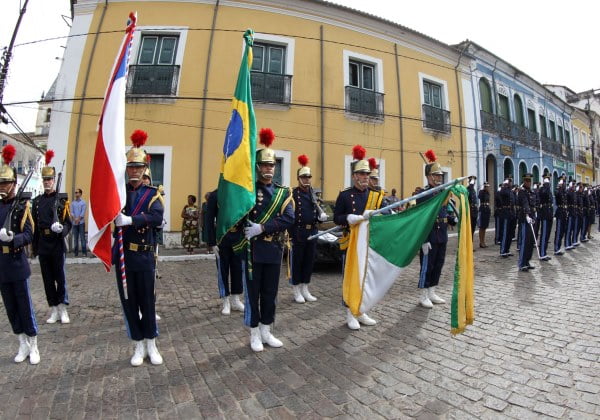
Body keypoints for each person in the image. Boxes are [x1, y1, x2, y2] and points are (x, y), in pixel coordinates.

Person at [113, 129, 164, 366]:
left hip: (144, 257)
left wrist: (131, 220)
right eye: (131, 167)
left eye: (138, 167)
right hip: (124, 256)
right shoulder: (118, 194)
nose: (134, 171)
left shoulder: (152, 194)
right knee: (129, 303)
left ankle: (151, 344)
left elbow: (155, 217)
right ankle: (137, 345)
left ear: (145, 169)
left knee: (147, 301)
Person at [243, 128, 294, 352]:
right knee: (253, 294)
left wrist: (262, 227)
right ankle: (254, 332)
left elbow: (289, 218)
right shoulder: (248, 191)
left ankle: (266, 330)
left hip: (273, 249)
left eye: (271, 165)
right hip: (253, 250)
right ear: (257, 167)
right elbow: (239, 216)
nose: (268, 169)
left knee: (270, 293)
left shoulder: (283, 192)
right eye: (264, 165)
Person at [333, 145, 381, 329]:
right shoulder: (345, 195)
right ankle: (349, 312)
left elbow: (382, 217)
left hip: (368, 242)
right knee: (350, 278)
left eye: (367, 174)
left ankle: (360, 310)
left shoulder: (375, 196)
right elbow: (337, 217)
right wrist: (348, 218)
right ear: (354, 176)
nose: (365, 177)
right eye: (361, 174)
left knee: (365, 278)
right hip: (351, 242)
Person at [0, 145, 40, 365]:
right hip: (2, 264)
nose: (4, 187)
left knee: (24, 305)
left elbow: (29, 234)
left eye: (7, 183)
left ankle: (33, 344)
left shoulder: (22, 205)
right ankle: (21, 343)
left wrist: (12, 239)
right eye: (1, 183)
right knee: (10, 307)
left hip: (17, 262)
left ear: (14, 184)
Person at [32, 150, 72, 325]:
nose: (47, 183)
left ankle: (63, 308)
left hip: (56, 243)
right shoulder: (38, 201)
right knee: (47, 279)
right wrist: (34, 248)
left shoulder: (61, 200)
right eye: (45, 180)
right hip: (43, 243)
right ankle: (54, 309)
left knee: (59, 278)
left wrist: (62, 230)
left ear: (54, 180)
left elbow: (69, 223)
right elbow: (34, 226)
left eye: (49, 180)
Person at [417, 149, 457, 308]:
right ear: (428, 177)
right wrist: (424, 240)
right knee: (428, 265)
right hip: (430, 234)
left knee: (439, 263)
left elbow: (445, 211)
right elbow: (421, 220)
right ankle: (423, 294)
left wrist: (452, 219)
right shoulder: (424, 194)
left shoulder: (443, 192)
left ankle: (432, 290)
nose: (439, 178)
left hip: (442, 233)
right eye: (436, 175)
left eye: (440, 175)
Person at [290, 155, 327, 304]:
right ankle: (296, 289)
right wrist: (290, 235)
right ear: (298, 178)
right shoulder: (293, 193)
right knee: (297, 262)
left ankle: (305, 287)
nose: (306, 180)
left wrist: (320, 217)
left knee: (309, 262)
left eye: (308, 177)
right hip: (298, 232)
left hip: (312, 231)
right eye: (304, 177)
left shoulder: (313, 193)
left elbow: (314, 212)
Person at [205, 189, 245, 315]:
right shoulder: (215, 195)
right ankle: (225, 300)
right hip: (221, 239)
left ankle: (235, 298)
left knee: (238, 269)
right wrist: (211, 242)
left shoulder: (240, 191)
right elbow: (209, 219)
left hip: (238, 238)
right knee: (222, 271)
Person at [516, 173, 535, 271]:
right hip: (525, 218)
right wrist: (527, 214)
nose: (529, 182)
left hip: (531, 217)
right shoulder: (522, 191)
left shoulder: (530, 191)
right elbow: (525, 203)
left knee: (530, 241)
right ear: (524, 181)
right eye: (527, 181)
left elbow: (533, 203)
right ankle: (522, 263)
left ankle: (527, 261)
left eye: (530, 181)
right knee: (525, 241)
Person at [537, 177, 553, 261]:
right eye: (547, 183)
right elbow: (543, 195)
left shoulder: (549, 190)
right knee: (544, 234)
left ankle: (545, 252)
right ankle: (542, 253)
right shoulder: (542, 189)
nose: (548, 185)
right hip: (544, 213)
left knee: (547, 234)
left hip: (549, 213)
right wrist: (545, 186)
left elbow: (551, 201)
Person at [70, 188, 87, 257]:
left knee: (82, 238)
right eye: (75, 192)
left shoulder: (83, 202)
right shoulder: (72, 203)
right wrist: (75, 219)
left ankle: (84, 252)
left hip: (81, 223)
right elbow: (71, 212)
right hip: (74, 223)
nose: (76, 194)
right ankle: (76, 253)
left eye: (77, 192)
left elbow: (83, 212)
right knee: (75, 238)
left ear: (80, 194)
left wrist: (78, 219)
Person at [553, 176, 568, 255]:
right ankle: (556, 248)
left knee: (562, 231)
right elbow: (557, 194)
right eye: (563, 182)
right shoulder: (558, 190)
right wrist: (559, 186)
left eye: (564, 182)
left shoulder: (564, 191)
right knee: (558, 231)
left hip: (564, 212)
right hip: (559, 212)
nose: (564, 183)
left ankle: (558, 247)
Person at [477, 182, 490, 248]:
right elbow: (479, 196)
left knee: (485, 227)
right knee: (481, 226)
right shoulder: (481, 192)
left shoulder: (488, 193)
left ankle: (483, 241)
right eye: (486, 186)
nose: (487, 187)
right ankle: (481, 242)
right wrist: (482, 189)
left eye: (487, 186)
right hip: (482, 209)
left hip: (487, 210)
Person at [467, 176, 478, 241]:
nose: (473, 183)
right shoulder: (467, 190)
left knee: (473, 229)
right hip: (470, 211)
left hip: (474, 212)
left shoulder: (473, 190)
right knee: (469, 229)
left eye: (474, 182)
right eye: (472, 181)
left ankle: (471, 244)